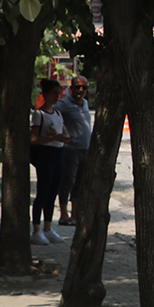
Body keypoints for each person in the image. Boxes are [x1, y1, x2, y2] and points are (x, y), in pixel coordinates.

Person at [29, 77, 67, 246]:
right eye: (54, 93)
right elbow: (34, 139)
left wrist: (62, 138)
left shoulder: (58, 113)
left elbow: (64, 135)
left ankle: (48, 227)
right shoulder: (39, 114)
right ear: (45, 94)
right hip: (46, 154)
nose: (57, 97)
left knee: (53, 192)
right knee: (43, 192)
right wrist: (50, 138)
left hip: (59, 153)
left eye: (58, 94)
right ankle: (36, 229)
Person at [55, 75, 92, 226]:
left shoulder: (85, 103)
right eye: (77, 87)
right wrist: (61, 134)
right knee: (68, 182)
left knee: (80, 183)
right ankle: (63, 215)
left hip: (85, 149)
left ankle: (75, 214)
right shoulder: (64, 104)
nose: (81, 90)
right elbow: (50, 115)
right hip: (71, 149)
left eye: (84, 87)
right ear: (71, 88)